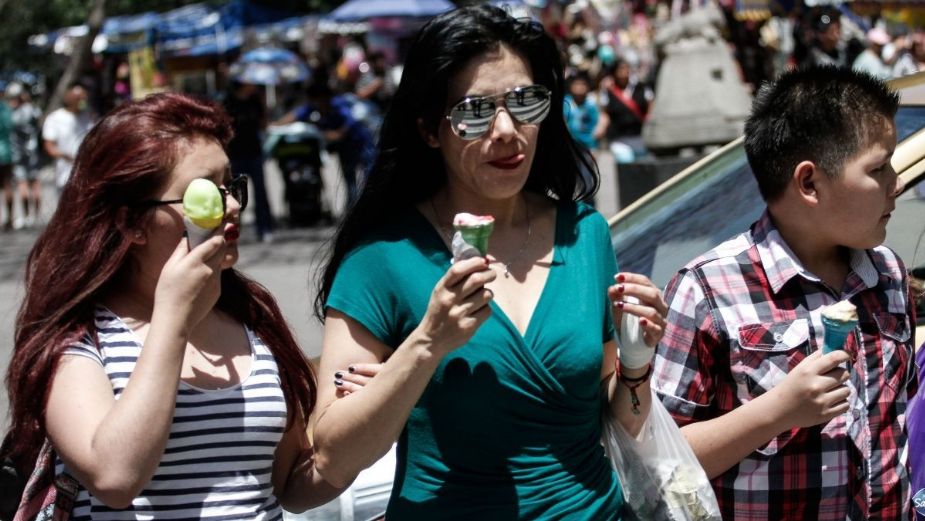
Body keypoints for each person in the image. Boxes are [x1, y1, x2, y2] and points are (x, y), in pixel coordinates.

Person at [311, 6, 668, 519]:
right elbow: (333, 458)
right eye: (475, 110)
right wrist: (426, 344)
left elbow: (618, 423)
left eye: (524, 102)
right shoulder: (381, 259)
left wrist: (635, 364)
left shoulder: (586, 234)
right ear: (429, 129)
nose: (506, 129)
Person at [1, 93, 360, 519]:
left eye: (231, 186)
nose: (232, 206)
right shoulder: (78, 338)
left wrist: (372, 410)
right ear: (131, 222)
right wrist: (174, 318)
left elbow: (290, 486)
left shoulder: (251, 318)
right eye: (205, 194)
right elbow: (115, 478)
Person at [652, 66, 915, 520]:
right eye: (878, 168)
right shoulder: (707, 291)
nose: (898, 183)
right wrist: (776, 412)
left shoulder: (887, 274)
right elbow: (660, 461)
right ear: (809, 183)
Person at [275, 82, 375, 210]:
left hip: (360, 143)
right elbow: (295, 115)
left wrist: (337, 134)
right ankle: (354, 210)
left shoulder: (338, 104)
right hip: (345, 148)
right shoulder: (313, 106)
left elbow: (351, 121)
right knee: (350, 180)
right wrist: (276, 124)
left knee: (369, 178)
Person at [224, 80, 275, 242]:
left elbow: (264, 124)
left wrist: (264, 106)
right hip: (235, 154)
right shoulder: (228, 101)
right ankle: (234, 228)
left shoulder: (255, 101)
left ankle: (265, 228)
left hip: (254, 152)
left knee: (260, 192)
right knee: (234, 194)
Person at [599, 58, 651, 163]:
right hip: (619, 138)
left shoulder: (641, 87)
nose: (624, 71)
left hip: (639, 136)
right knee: (626, 161)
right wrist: (601, 128)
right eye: (621, 69)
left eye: (626, 68)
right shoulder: (608, 91)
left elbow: (650, 105)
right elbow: (605, 113)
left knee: (643, 164)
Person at [42, 83, 92, 192]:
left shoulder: (89, 117)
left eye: (83, 97)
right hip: (65, 176)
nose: (81, 100)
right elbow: (49, 146)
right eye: (78, 97)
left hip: (87, 176)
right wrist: (65, 156)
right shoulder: (55, 118)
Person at [6, 82, 42, 229]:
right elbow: (38, 121)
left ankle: (27, 215)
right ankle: (36, 216)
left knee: (23, 183)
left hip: (18, 152)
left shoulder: (12, 113)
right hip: (32, 150)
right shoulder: (31, 109)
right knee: (35, 182)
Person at [563, 72, 603, 151]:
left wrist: (600, 128)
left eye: (583, 84)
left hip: (589, 144)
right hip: (569, 144)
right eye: (576, 84)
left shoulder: (592, 102)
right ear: (570, 86)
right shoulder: (565, 102)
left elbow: (602, 117)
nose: (579, 87)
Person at [0, 91, 12, 231]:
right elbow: (10, 127)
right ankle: (9, 219)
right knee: (7, 185)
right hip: (6, 152)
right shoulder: (6, 108)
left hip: (5, 152)